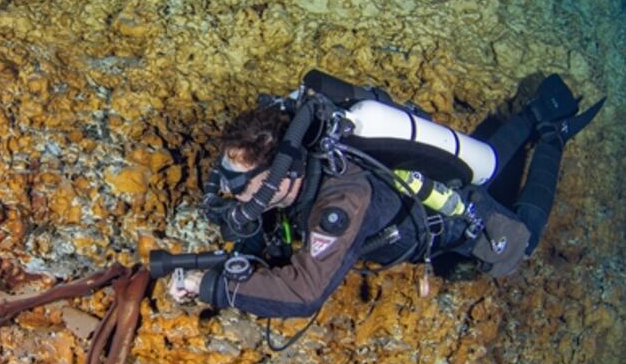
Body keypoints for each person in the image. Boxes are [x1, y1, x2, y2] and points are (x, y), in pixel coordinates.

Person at [167, 72, 604, 321]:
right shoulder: (291, 156)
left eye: (241, 184)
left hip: (453, 221)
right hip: (421, 181)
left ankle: (553, 133)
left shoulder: (340, 203)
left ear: (282, 176)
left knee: (522, 241)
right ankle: (534, 111)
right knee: (483, 159)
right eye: (227, 176)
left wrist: (209, 286)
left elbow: (303, 294)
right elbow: (257, 229)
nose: (229, 191)